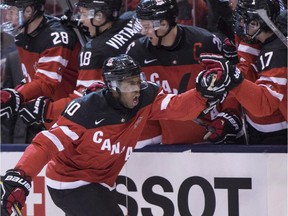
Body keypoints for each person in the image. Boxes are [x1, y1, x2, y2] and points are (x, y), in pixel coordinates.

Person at [0, 54, 210, 216]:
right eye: (129, 84)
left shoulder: (145, 97)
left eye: (137, 82)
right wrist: (20, 176)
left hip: (100, 181)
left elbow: (178, 107)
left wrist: (203, 93)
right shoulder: (87, 109)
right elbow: (46, 143)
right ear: (113, 87)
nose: (136, 89)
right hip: (71, 182)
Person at [126, 0, 244, 145]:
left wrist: (229, 115)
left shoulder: (205, 42)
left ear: (163, 24)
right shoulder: (137, 52)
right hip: (169, 144)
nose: (144, 32)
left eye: (147, 27)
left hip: (212, 139)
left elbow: (231, 82)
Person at [17, 0, 144, 132]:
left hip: (121, 125)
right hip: (146, 107)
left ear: (99, 16)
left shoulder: (93, 52)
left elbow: (86, 99)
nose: (81, 20)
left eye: (83, 14)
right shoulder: (132, 18)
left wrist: (48, 111)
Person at [196, 0, 287, 144]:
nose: (240, 24)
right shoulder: (274, 41)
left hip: (278, 133)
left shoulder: (276, 51)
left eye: (244, 20)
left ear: (257, 23)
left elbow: (264, 104)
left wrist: (231, 78)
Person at [0, 0, 81, 141]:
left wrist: (15, 96)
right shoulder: (22, 34)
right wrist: (14, 93)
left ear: (29, 11)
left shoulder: (56, 37)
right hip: (45, 118)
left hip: (71, 117)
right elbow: (32, 76)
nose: (7, 17)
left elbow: (46, 83)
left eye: (11, 11)